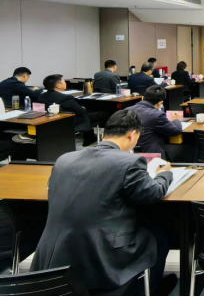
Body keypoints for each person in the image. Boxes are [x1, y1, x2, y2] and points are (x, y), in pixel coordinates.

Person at [31, 111, 177, 296]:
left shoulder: (64, 159)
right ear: (132, 135)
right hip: (103, 250)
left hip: (57, 248)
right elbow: (153, 193)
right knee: (159, 235)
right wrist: (164, 174)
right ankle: (146, 290)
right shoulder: (130, 161)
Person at [125, 86, 183, 158]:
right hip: (151, 156)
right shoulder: (157, 115)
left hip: (129, 153)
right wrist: (176, 119)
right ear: (160, 103)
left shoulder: (126, 110)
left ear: (143, 98)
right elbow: (175, 130)